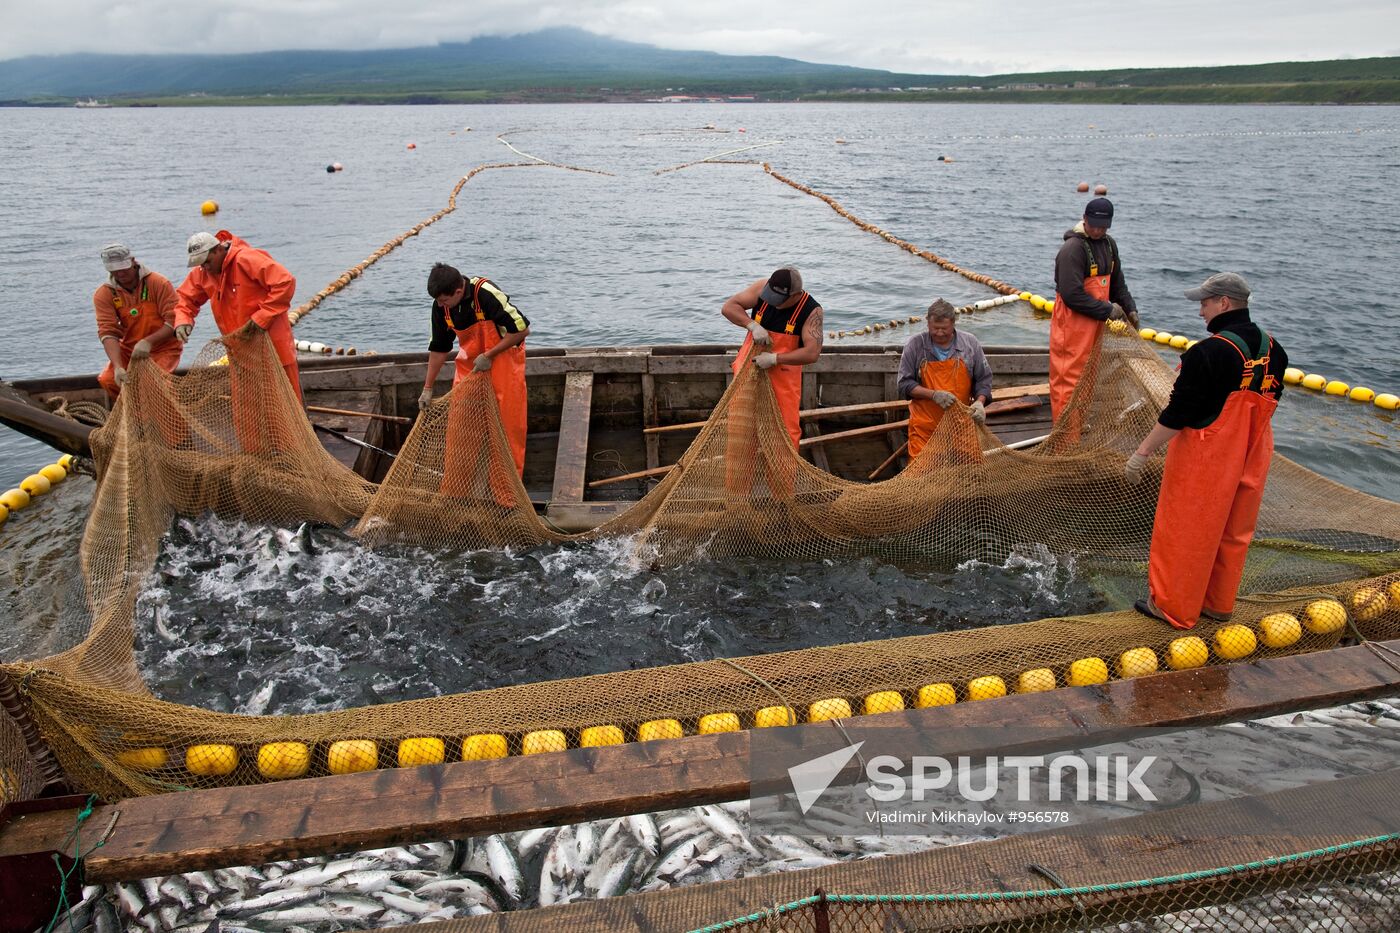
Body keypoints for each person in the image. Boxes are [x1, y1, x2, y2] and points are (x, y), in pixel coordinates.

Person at [1126, 273, 1287, 629]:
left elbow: (1177, 415)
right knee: (1234, 529)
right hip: (1254, 451)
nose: (1200, 311)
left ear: (1224, 303)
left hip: (1207, 456)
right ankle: (1218, 604)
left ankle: (1173, 607)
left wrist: (1142, 453)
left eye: (1204, 303)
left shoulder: (1206, 353)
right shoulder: (1276, 351)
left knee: (1187, 530)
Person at [421, 263, 530, 476]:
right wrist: (427, 387)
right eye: (437, 300)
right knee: (460, 429)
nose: (440, 304)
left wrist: (489, 355)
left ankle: (506, 498)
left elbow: (522, 330)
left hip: (504, 362)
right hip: (470, 367)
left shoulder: (486, 293)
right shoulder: (440, 306)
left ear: (459, 292)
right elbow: (439, 348)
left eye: (444, 300)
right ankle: (456, 494)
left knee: (508, 430)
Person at [175, 230, 301, 401]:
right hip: (240, 353)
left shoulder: (247, 259)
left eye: (207, 261)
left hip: (273, 348)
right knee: (247, 411)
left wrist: (262, 318)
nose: (205, 267)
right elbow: (184, 298)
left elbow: (285, 282)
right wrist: (183, 320)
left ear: (218, 249)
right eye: (200, 264)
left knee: (285, 405)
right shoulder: (203, 272)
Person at [1049, 197, 1139, 422]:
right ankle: (1064, 439)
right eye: (1094, 225)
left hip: (1095, 324)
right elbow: (1072, 295)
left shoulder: (1109, 244)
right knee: (1068, 380)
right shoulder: (1073, 249)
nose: (1098, 231)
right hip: (1072, 325)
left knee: (1088, 378)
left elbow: (1117, 283)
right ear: (1084, 219)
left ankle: (1077, 427)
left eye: (1103, 227)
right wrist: (1107, 310)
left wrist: (1130, 308)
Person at [721, 267, 824, 450]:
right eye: (770, 296)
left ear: (795, 295)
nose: (772, 303)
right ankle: (739, 478)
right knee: (741, 428)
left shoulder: (811, 311)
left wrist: (775, 358)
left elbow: (812, 352)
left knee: (783, 433)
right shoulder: (762, 288)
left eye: (779, 300)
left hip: (782, 378)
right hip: (749, 370)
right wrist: (751, 325)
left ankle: (781, 478)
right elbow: (729, 307)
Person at [897, 299, 993, 459]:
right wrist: (934, 395)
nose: (939, 333)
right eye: (935, 328)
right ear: (927, 323)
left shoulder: (970, 344)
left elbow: (983, 379)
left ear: (954, 323)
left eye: (944, 328)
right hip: (926, 427)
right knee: (920, 472)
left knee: (972, 469)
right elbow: (904, 385)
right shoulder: (915, 345)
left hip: (961, 424)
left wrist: (980, 402)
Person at [92, 244, 181, 398]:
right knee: (108, 380)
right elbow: (107, 331)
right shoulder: (104, 294)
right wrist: (118, 366)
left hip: (163, 348)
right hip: (129, 351)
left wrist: (148, 342)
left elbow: (174, 321)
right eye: (115, 269)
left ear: (133, 261)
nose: (120, 273)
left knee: (154, 384)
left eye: (124, 267)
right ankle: (134, 415)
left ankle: (165, 420)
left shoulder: (158, 283)